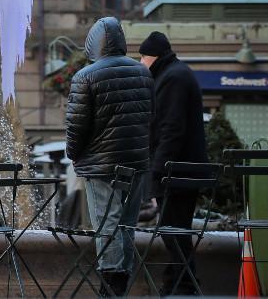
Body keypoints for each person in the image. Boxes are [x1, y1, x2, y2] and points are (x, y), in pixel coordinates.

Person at [65, 17, 152, 296]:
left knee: (106, 222)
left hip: (101, 164)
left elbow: (77, 125)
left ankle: (111, 283)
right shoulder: (143, 72)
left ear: (93, 44)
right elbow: (151, 116)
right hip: (136, 160)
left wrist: (74, 154)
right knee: (126, 221)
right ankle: (122, 279)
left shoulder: (85, 76)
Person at [139, 31, 208, 295]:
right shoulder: (175, 73)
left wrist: (158, 169)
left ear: (153, 56)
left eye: (143, 57)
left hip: (178, 171)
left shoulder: (172, 78)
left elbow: (170, 128)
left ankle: (184, 285)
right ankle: (176, 282)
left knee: (173, 230)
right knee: (173, 229)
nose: (141, 63)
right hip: (182, 169)